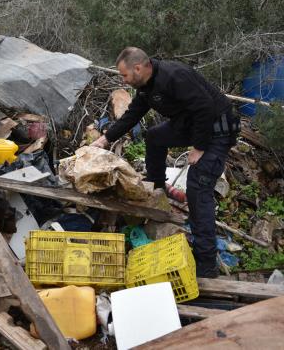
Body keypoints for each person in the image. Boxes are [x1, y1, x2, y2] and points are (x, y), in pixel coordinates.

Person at [91, 47, 239, 278]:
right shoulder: (145, 87)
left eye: (124, 75)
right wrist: (104, 139)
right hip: (190, 123)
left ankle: (206, 263)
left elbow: (205, 107)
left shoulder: (174, 76)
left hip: (217, 128)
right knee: (155, 136)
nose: (123, 80)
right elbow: (132, 115)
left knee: (198, 188)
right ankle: (157, 187)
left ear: (138, 68)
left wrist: (199, 147)